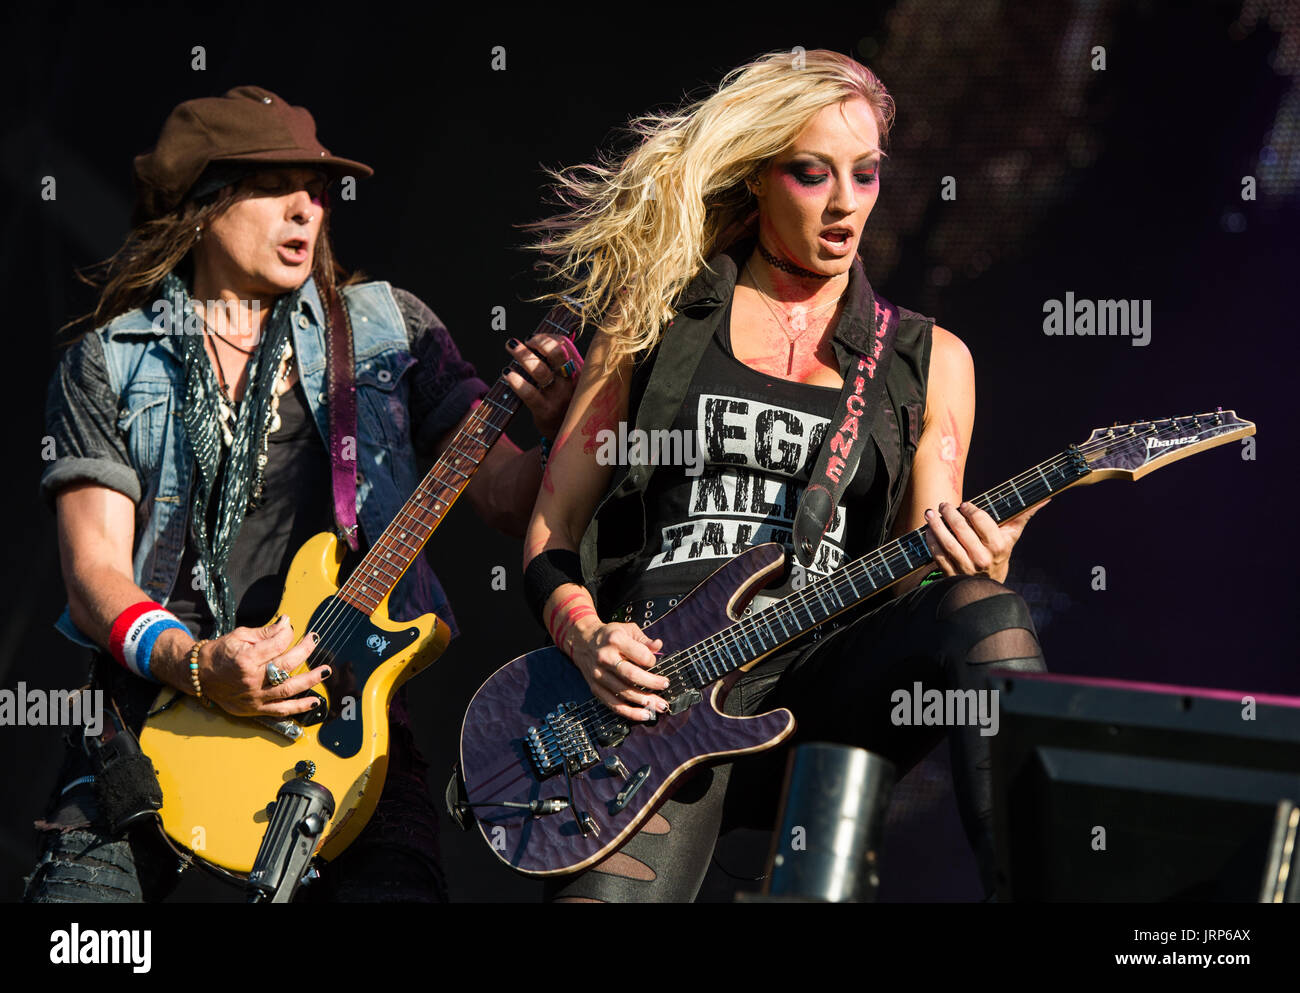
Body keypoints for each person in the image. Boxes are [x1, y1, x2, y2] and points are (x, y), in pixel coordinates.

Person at [24, 85, 580, 903]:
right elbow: (95, 569)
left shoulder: (389, 329)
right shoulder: (112, 363)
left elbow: (505, 495)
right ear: (205, 204)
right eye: (277, 186)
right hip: (145, 725)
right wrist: (203, 664)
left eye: (317, 192)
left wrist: (565, 427)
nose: (307, 209)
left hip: (337, 730)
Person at [520, 50, 1047, 902]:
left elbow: (924, 559)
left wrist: (978, 557)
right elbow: (553, 528)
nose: (845, 203)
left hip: (822, 682)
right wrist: (589, 640)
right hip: (662, 696)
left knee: (983, 611)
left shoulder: (926, 357)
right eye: (812, 174)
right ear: (759, 178)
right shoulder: (656, 315)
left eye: (866, 174)